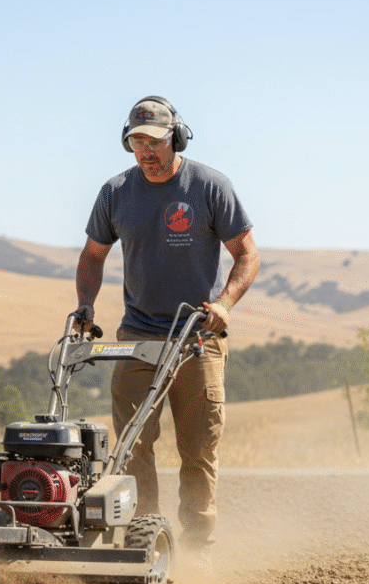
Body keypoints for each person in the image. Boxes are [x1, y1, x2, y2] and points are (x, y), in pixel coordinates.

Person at [75, 95, 259, 548]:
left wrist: (225, 304)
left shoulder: (210, 187)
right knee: (132, 446)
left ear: (174, 138)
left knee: (197, 450)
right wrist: (86, 305)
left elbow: (247, 254)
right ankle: (146, 541)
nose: (147, 152)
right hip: (138, 336)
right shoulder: (116, 192)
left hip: (198, 335)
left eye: (155, 142)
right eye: (137, 142)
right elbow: (93, 255)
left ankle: (199, 545)